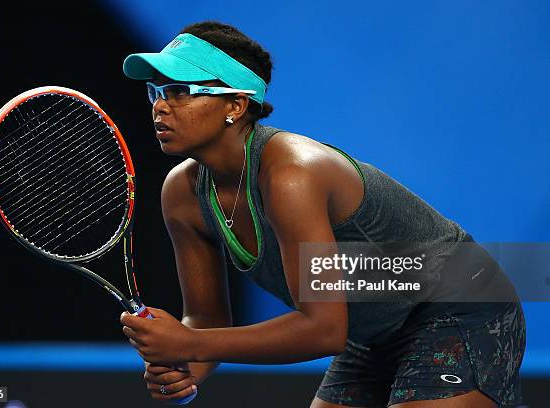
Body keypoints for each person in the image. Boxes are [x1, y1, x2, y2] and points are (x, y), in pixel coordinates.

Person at [119, 21, 526, 407]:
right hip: (371, 330)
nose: (160, 107)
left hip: (458, 304)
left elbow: (324, 329)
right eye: (156, 92)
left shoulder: (290, 174)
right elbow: (206, 319)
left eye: (180, 91)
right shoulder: (182, 192)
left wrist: (189, 344)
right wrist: (184, 367)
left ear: (237, 105)